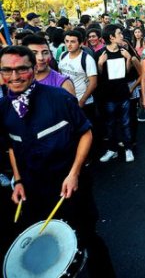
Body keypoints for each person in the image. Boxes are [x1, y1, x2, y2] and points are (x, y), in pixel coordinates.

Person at [0, 45, 116, 277]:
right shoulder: (3, 109)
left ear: (33, 69)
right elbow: (11, 145)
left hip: (71, 187)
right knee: (45, 248)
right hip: (34, 191)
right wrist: (19, 180)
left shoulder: (59, 98)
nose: (14, 77)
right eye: (7, 70)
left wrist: (74, 173)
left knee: (86, 238)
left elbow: (86, 133)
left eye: (21, 69)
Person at [96, 24, 135, 163]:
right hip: (108, 96)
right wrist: (100, 64)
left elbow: (127, 74)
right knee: (110, 124)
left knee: (126, 123)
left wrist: (129, 59)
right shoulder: (100, 54)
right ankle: (111, 150)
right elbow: (99, 78)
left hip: (123, 93)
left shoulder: (124, 51)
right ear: (111, 37)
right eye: (119, 33)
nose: (122, 36)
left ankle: (128, 148)